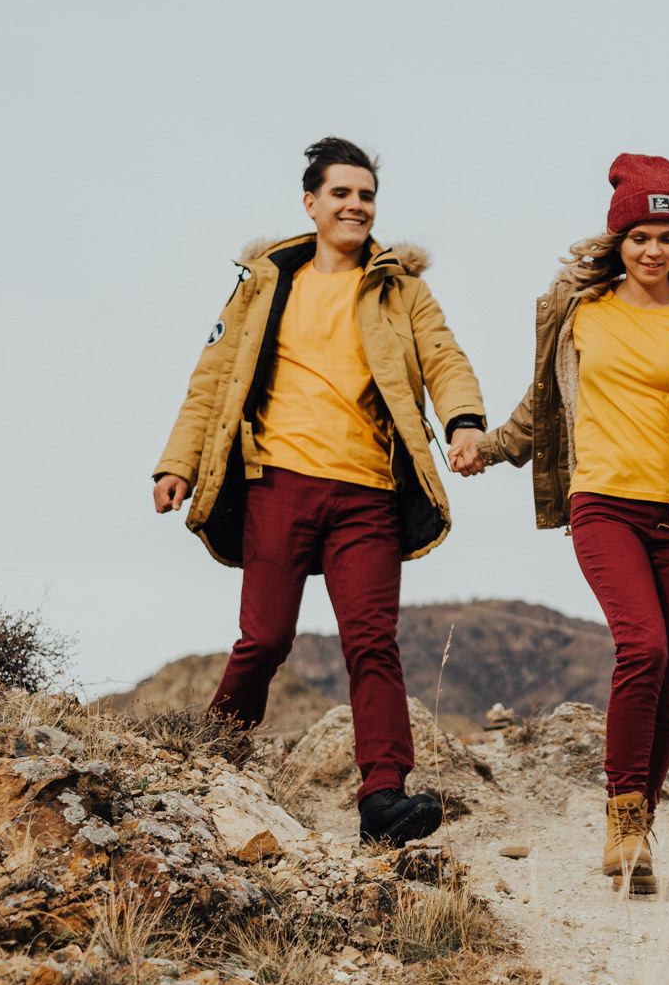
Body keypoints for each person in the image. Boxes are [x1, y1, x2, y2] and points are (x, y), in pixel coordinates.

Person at [451, 154, 669, 894]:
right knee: (644, 646)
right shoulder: (580, 314)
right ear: (617, 239)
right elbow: (545, 407)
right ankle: (624, 812)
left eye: (666, 236)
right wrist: (491, 447)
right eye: (639, 236)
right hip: (603, 503)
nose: (652, 250)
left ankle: (640, 832)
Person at [153, 137, 487, 848]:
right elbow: (212, 377)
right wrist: (176, 463)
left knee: (372, 643)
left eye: (366, 196)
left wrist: (464, 422)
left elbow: (444, 355)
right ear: (311, 202)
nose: (356, 206)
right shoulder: (265, 282)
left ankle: (383, 796)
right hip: (277, 481)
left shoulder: (400, 288)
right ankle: (213, 756)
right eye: (342, 194)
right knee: (265, 639)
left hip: (367, 492)